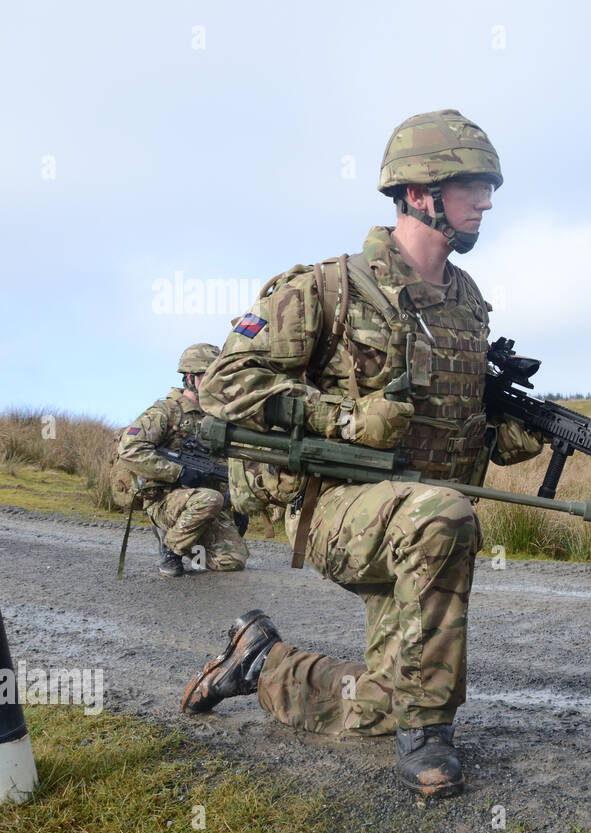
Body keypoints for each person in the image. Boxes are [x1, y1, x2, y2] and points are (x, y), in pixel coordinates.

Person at [181, 110, 543, 798]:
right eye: (472, 185)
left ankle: (261, 663)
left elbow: (450, 435)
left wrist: (503, 440)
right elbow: (225, 385)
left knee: (378, 705)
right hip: (334, 510)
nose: (487, 202)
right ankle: (430, 735)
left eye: (489, 187)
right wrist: (347, 417)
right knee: (445, 516)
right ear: (418, 192)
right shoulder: (331, 287)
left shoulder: (468, 305)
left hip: (414, 519)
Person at [117, 343, 250, 577]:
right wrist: (177, 473)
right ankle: (171, 550)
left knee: (232, 560)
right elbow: (129, 449)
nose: (214, 383)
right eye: (207, 376)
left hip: (203, 502)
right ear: (190, 377)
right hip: (164, 499)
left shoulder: (215, 419)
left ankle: (185, 538)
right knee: (210, 498)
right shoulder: (165, 412)